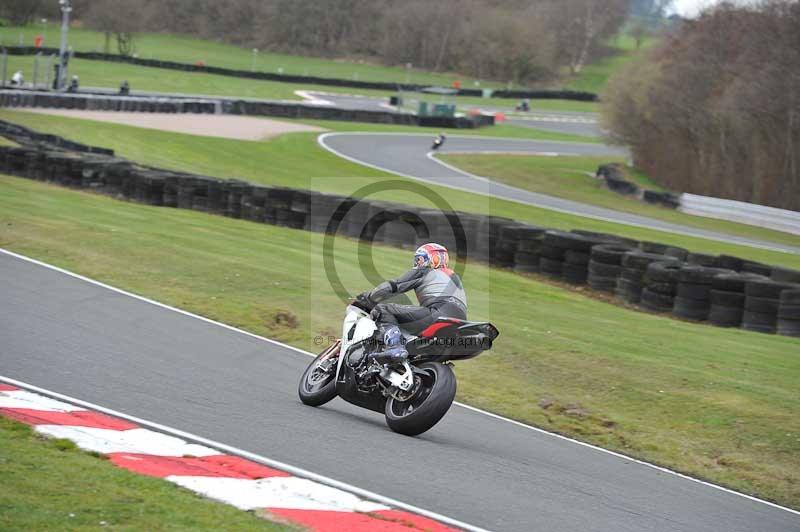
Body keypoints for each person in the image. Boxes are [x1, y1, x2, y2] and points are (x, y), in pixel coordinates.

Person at [357, 243, 467, 364]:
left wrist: (368, 297)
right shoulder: (454, 277)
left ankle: (395, 347)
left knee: (383, 310)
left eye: (419, 259)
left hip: (437, 315)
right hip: (459, 322)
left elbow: (393, 286)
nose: (417, 263)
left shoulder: (425, 271)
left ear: (431, 259)